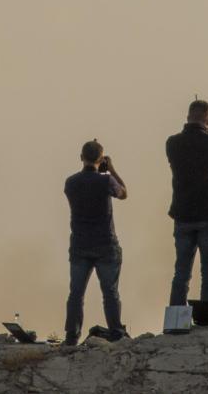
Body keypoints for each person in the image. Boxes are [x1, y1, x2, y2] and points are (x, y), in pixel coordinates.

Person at [166, 99, 208, 306]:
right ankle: (206, 320)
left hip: (183, 216)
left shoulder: (172, 142)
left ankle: (176, 318)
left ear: (187, 117)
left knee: (181, 273)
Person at [62, 139, 128, 345]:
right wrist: (110, 170)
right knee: (110, 293)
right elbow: (123, 193)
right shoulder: (106, 181)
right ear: (101, 159)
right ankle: (116, 333)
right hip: (105, 244)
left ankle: (71, 336)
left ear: (81, 157)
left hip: (81, 245)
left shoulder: (71, 182)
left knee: (76, 294)